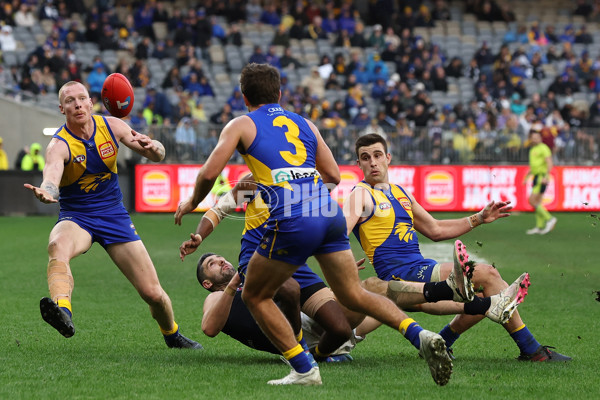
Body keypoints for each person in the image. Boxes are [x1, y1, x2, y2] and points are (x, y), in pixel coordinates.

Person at [174, 63, 456, 387]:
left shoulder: (242, 124)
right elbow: (334, 176)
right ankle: (419, 335)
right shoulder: (304, 123)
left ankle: (304, 368)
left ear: (244, 97)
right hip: (328, 214)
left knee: (253, 295)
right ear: (279, 93)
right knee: (353, 295)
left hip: (293, 224)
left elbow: (209, 174)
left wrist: (191, 203)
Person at [180, 175, 528, 361]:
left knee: (377, 291)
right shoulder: (251, 192)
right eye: (212, 265)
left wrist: (335, 260)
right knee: (375, 292)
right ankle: (304, 354)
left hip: (309, 304)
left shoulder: (287, 196)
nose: (220, 262)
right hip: (293, 318)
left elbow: (306, 239)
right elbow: (220, 209)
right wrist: (203, 239)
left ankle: (480, 303)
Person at [344, 133, 571, 362]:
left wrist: (478, 218)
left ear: (388, 157)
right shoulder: (361, 194)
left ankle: (443, 342)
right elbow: (339, 232)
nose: (372, 162)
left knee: (486, 293)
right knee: (489, 276)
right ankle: (532, 350)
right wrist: (342, 262)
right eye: (365, 157)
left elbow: (435, 229)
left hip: (420, 267)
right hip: (399, 275)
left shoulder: (401, 193)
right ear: (359, 164)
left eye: (377, 155)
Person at [24, 81, 201, 349]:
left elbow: (158, 155)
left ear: (91, 102)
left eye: (81, 98)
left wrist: (152, 145)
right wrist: (47, 191)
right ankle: (62, 311)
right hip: (78, 217)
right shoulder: (58, 145)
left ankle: (172, 334)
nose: (77, 104)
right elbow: (51, 175)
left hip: (114, 217)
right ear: (62, 108)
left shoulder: (112, 126)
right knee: (56, 245)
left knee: (153, 294)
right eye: (70, 101)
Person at [524, 129, 557, 235]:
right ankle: (539, 226)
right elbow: (534, 166)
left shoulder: (543, 148)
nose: (535, 139)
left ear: (540, 138)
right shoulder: (533, 149)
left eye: (537, 137)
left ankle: (550, 218)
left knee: (532, 201)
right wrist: (527, 176)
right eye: (533, 138)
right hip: (536, 177)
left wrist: (546, 176)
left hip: (541, 177)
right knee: (537, 202)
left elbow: (549, 163)